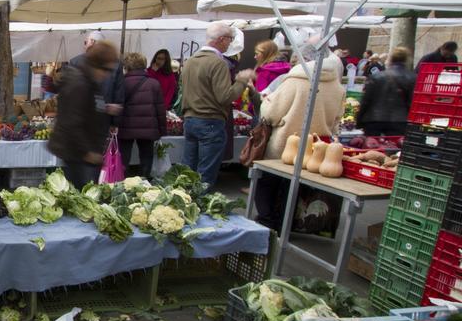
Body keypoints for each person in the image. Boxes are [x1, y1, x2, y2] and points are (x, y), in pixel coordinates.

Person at [253, 52, 346, 231]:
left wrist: (267, 102)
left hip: (285, 142)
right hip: (316, 147)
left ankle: (267, 220)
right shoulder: (338, 87)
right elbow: (337, 119)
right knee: (293, 187)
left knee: (268, 181)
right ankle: (284, 222)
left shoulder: (295, 81)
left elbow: (270, 113)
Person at [180, 22, 254, 190]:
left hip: (190, 120)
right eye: (230, 39)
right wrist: (242, 80)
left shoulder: (191, 60)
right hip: (210, 121)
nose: (230, 43)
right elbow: (224, 97)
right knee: (205, 173)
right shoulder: (218, 63)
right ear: (221, 39)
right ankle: (199, 207)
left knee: (187, 171)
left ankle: (184, 205)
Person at [48, 41, 122, 188]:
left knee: (84, 194)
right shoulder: (79, 83)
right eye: (106, 69)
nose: (107, 75)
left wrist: (105, 108)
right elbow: (71, 122)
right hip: (78, 154)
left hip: (83, 151)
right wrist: (87, 152)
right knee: (82, 196)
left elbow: (86, 105)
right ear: (97, 64)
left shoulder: (88, 79)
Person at [116, 53, 166, 178]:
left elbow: (117, 105)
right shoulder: (154, 84)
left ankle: (122, 183)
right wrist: (162, 130)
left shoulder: (121, 83)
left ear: (127, 66)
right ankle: (145, 182)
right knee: (146, 157)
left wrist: (113, 123)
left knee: (124, 158)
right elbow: (160, 109)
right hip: (148, 127)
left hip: (125, 127)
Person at [357, 46, 415, 136]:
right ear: (406, 59)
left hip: (373, 120)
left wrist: (359, 120)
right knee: (394, 147)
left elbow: (366, 100)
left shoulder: (377, 77)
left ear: (391, 59)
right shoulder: (412, 78)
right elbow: (411, 102)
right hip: (399, 121)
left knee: (372, 148)